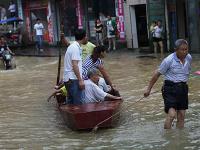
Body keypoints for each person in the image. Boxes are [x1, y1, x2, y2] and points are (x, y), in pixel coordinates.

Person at [144, 39, 192, 129]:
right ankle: (168, 137)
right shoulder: (168, 60)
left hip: (183, 88)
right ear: (176, 50)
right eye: (182, 49)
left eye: (186, 49)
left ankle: (180, 139)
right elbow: (156, 74)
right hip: (170, 89)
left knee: (181, 115)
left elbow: (186, 72)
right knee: (172, 114)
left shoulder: (189, 57)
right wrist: (148, 89)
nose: (185, 52)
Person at [63, 29, 88, 105]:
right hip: (73, 79)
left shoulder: (73, 46)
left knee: (71, 102)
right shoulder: (75, 48)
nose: (87, 38)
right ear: (84, 37)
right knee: (78, 103)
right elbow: (75, 65)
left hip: (69, 78)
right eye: (86, 36)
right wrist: (80, 80)